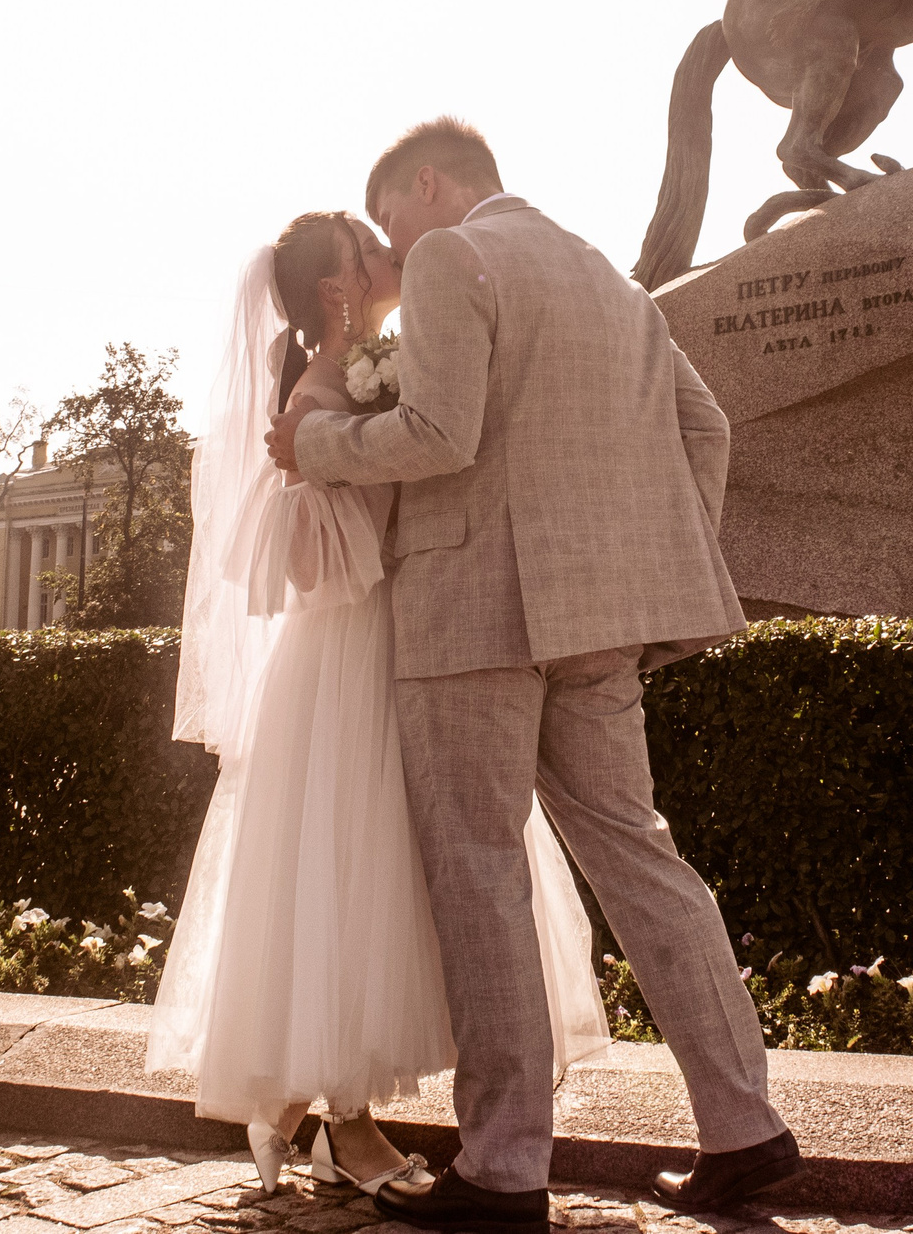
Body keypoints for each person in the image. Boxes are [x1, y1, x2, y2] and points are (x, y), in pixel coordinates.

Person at [265, 120, 803, 1234]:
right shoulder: (612, 280)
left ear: (427, 184)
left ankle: (505, 1166)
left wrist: (313, 446)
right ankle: (745, 1128)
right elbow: (706, 427)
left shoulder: (460, 255)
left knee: (478, 874)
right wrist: (651, 570)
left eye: (394, 221)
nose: (397, 253)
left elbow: (440, 433)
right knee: (641, 859)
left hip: (473, 612)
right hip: (600, 621)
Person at [151, 211, 608, 1201]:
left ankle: (306, 1114)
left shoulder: (393, 363)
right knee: (346, 883)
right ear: (337, 290)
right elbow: (293, 566)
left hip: (414, 647)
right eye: (367, 244)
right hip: (348, 658)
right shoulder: (313, 396)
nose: (390, 249)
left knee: (416, 880)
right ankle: (346, 1129)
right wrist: (345, 465)